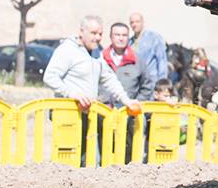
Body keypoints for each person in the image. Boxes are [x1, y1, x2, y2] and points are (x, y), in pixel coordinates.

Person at [43, 16, 141, 166]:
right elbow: (50, 77)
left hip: (88, 114)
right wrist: (72, 94)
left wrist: (126, 100)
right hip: (68, 115)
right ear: (81, 32)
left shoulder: (96, 54)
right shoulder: (67, 50)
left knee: (89, 160)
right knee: (68, 160)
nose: (98, 37)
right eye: (93, 33)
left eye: (100, 34)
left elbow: (109, 78)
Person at [101, 21, 154, 161]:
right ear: (110, 37)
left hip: (129, 112)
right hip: (103, 111)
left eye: (124, 35)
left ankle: (129, 165)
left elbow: (147, 84)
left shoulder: (137, 60)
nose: (120, 38)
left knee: (130, 141)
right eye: (117, 35)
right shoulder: (100, 58)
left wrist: (137, 102)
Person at [129, 12, 168, 83]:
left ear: (142, 22)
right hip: (135, 82)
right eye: (132, 22)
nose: (134, 24)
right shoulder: (129, 42)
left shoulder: (154, 38)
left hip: (152, 81)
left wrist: (162, 82)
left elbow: (162, 60)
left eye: (137, 22)